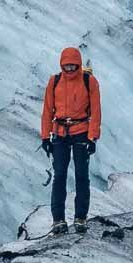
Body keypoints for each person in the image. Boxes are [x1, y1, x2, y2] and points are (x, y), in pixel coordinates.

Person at [39, 46, 101, 234]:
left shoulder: (89, 81)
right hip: (60, 134)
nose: (70, 69)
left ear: (79, 64)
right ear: (62, 65)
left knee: (82, 177)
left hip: (81, 132)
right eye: (66, 66)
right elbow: (47, 110)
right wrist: (45, 136)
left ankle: (80, 218)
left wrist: (92, 137)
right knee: (60, 176)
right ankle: (58, 220)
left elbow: (96, 111)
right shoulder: (55, 81)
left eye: (73, 66)